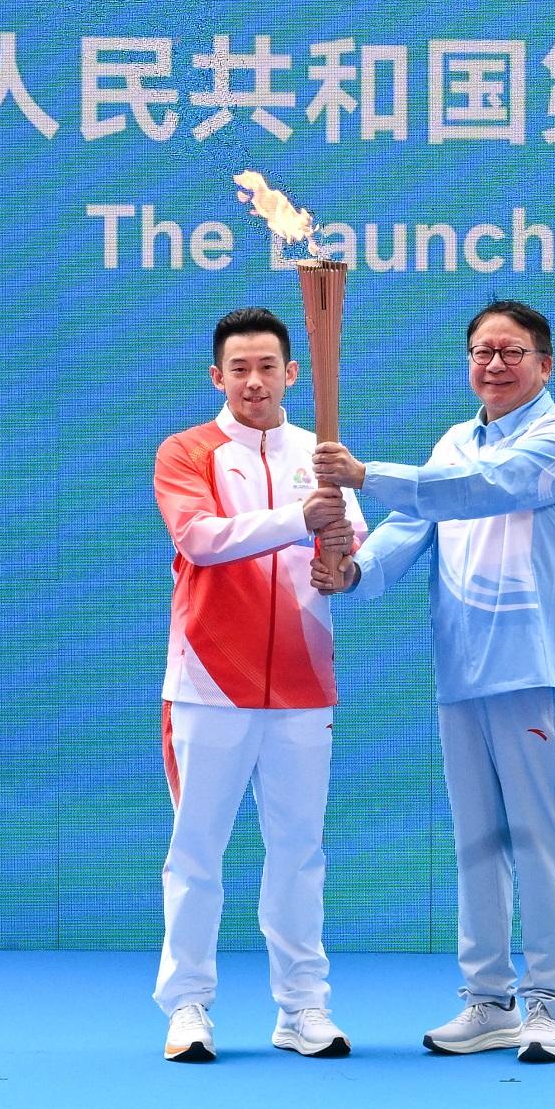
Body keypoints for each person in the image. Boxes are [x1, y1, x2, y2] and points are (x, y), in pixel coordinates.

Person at [306, 299, 555, 1066]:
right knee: (478, 843)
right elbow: (412, 527)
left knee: (540, 841)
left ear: (544, 364)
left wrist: (365, 474)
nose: (495, 363)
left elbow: (481, 488)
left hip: (534, 669)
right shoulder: (454, 443)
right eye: (481, 351)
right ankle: (489, 1001)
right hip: (462, 670)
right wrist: (353, 570)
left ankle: (546, 1004)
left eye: (511, 350)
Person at [151, 306, 367, 1063]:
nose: (253, 381)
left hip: (304, 683)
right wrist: (297, 518)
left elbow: (351, 547)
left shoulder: (322, 455)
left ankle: (303, 1006)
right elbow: (199, 539)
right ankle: (187, 1006)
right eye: (239, 368)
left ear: (292, 373)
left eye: (267, 366)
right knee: (197, 850)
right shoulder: (187, 452)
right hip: (210, 681)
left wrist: (342, 563)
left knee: (300, 851)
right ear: (218, 376)